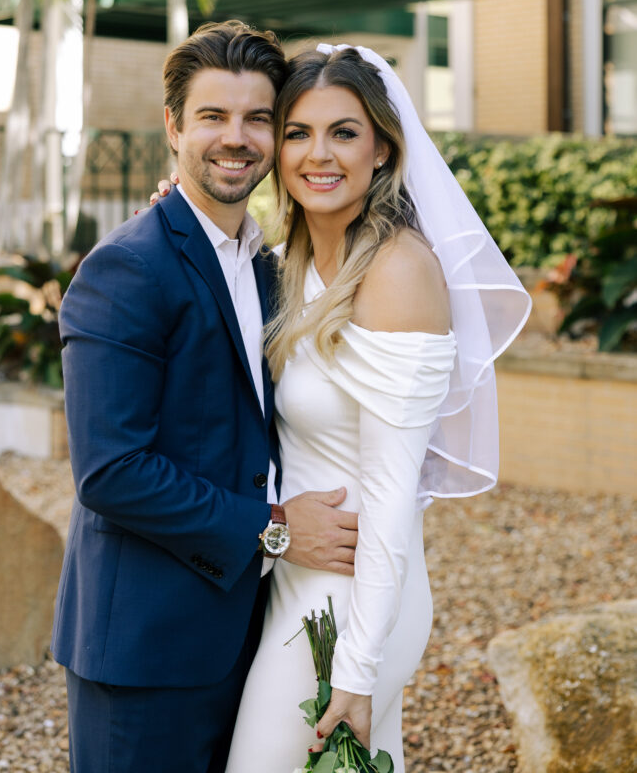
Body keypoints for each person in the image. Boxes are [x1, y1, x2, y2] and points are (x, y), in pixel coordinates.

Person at [151, 42, 531, 771]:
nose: (316, 155)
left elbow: (394, 492)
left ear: (383, 149)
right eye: (297, 132)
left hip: (352, 601)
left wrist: (357, 671)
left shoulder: (398, 274)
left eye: (343, 132)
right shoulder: (291, 262)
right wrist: (177, 213)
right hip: (290, 574)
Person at [51, 22, 361, 773]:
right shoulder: (125, 269)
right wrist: (277, 530)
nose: (238, 138)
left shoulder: (265, 266)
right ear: (173, 126)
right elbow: (111, 471)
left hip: (249, 634)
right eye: (213, 117)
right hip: (146, 648)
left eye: (258, 118)